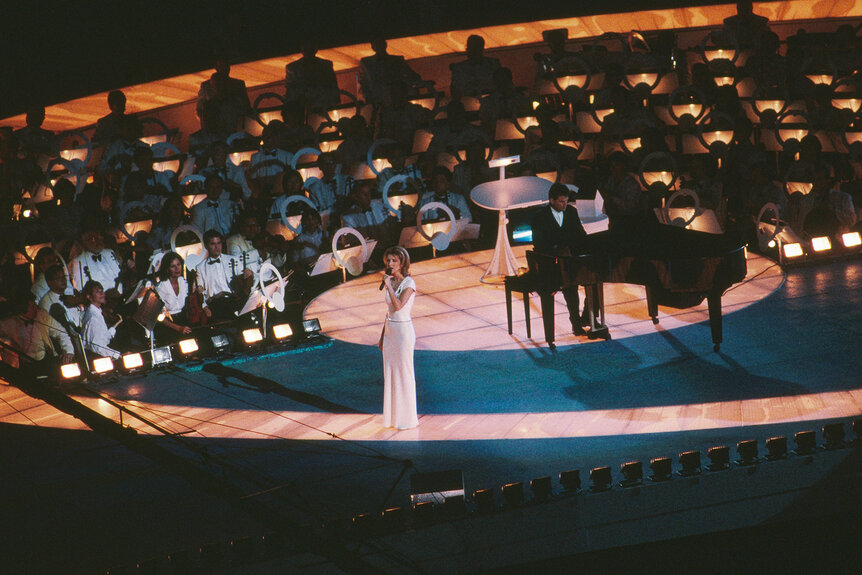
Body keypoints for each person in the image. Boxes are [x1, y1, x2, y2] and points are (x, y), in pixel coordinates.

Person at [531, 183, 589, 337]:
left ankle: (581, 321)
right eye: (561, 202)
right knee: (570, 287)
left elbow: (581, 236)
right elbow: (539, 243)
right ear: (551, 200)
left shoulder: (571, 212)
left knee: (586, 283)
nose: (565, 205)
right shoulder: (539, 217)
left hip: (569, 262)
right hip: (550, 265)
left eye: (566, 201)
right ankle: (576, 324)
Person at [378, 246, 418, 430]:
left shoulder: (409, 283)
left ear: (402, 262)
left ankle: (407, 418)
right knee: (391, 374)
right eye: (388, 261)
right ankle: (393, 417)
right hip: (390, 332)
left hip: (403, 333)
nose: (390, 264)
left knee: (404, 374)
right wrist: (382, 336)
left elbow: (399, 306)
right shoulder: (391, 281)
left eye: (394, 260)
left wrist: (388, 285)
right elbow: (389, 312)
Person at [154, 252, 192, 341]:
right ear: (167, 269)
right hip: (168, 325)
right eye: (172, 266)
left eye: (178, 264)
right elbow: (159, 316)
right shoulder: (161, 287)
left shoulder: (183, 282)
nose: (177, 268)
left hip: (184, 320)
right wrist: (178, 328)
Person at [81, 281, 122, 360]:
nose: (102, 294)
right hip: (95, 358)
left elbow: (102, 339)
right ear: (89, 297)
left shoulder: (96, 312)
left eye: (102, 290)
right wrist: (118, 355)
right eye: (97, 291)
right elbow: (97, 347)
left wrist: (115, 325)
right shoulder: (93, 317)